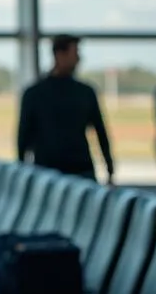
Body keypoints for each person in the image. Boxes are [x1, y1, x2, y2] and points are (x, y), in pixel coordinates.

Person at [17, 34, 115, 183]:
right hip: (55, 172)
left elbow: (100, 131)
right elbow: (23, 136)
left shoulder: (36, 93)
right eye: (74, 53)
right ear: (59, 54)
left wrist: (110, 167)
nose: (78, 59)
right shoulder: (36, 94)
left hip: (73, 169)